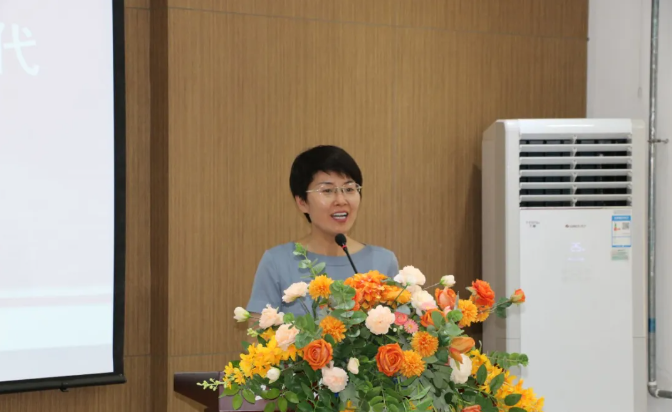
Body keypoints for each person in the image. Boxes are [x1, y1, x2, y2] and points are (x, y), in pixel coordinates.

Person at [245, 145, 400, 317]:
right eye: (327, 190)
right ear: (302, 202)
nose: (341, 200)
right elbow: (258, 332)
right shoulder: (277, 262)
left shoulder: (383, 262)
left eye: (349, 189)